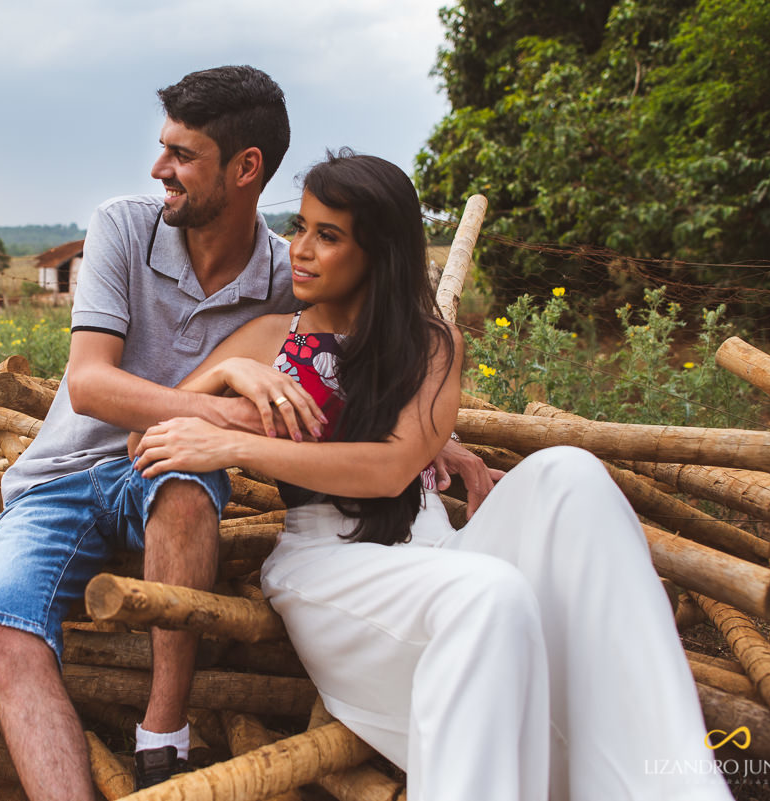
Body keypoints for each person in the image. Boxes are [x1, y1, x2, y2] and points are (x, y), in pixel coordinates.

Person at [131, 151, 734, 800]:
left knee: (571, 474)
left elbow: (390, 467)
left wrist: (234, 439)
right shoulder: (269, 339)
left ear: (379, 252)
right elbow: (145, 436)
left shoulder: (429, 344)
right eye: (299, 227)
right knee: (490, 593)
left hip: (434, 546)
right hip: (331, 565)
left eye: (327, 235)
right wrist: (225, 377)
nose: (299, 250)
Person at [0, 64, 312, 800]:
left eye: (183, 155)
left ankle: (163, 739)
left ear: (246, 168)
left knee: (187, 482)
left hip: (166, 472)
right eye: (164, 148)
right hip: (57, 480)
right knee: (2, 626)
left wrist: (435, 437)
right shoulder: (124, 226)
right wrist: (217, 410)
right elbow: (90, 384)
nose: (160, 168)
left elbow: (384, 344)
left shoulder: (287, 273)